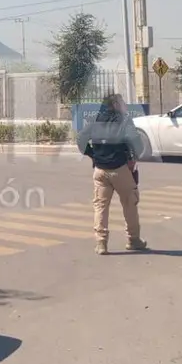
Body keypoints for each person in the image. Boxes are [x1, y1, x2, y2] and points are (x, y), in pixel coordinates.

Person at [76, 92, 148, 255]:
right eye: (122, 103)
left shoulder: (95, 120)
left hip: (100, 170)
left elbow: (80, 139)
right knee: (130, 204)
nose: (124, 106)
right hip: (120, 169)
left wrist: (93, 154)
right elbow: (136, 143)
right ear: (115, 105)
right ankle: (133, 239)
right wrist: (134, 158)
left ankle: (101, 243)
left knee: (100, 206)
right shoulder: (123, 121)